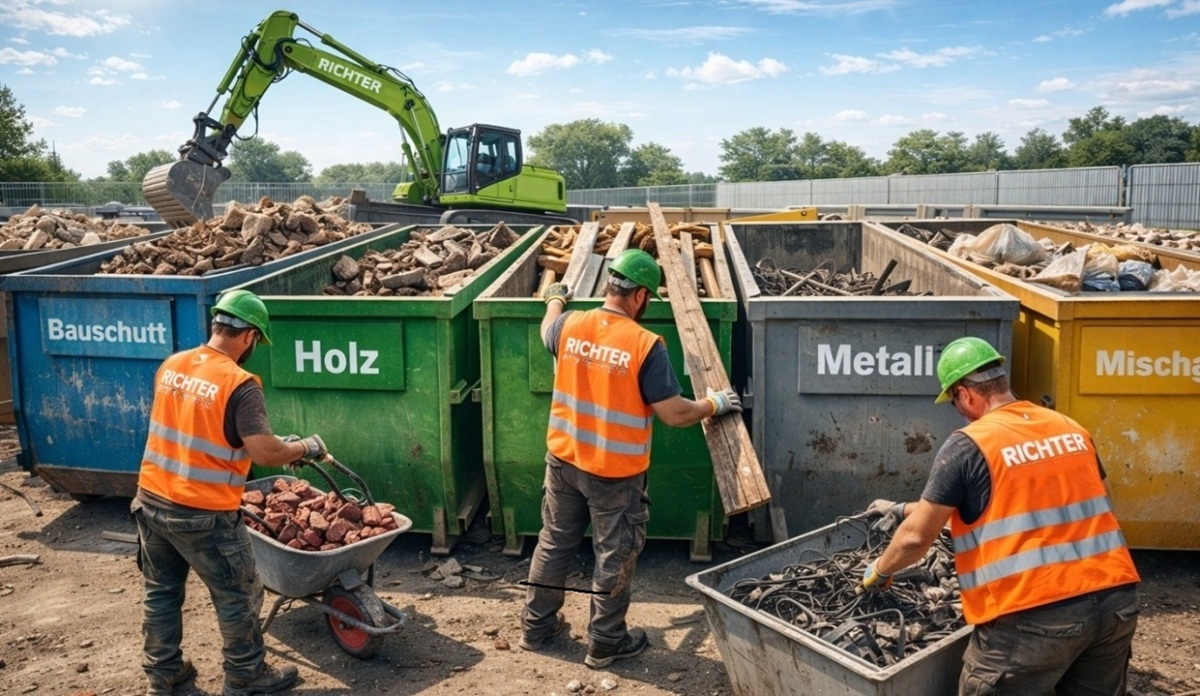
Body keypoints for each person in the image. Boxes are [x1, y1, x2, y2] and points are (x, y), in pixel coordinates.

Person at [860, 337, 1141, 696]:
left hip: (1035, 616)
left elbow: (916, 538)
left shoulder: (970, 443)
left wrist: (881, 571)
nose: (958, 410)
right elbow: (1045, 504)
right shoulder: (1069, 428)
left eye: (954, 402)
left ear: (964, 394)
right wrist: (900, 509)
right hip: (1116, 605)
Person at [521, 249, 742, 669]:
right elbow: (674, 413)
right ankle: (605, 642)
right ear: (640, 295)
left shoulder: (571, 324)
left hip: (564, 461)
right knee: (614, 556)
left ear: (611, 285)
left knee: (553, 542)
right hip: (614, 474)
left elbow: (546, 327)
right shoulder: (644, 345)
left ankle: (536, 627)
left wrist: (555, 297)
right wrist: (713, 404)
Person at [133, 289, 326, 696]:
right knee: (239, 594)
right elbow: (265, 452)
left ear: (217, 325)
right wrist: (304, 447)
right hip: (203, 512)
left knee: (162, 592)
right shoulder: (240, 383)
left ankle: (163, 674)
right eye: (257, 340)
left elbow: (196, 427)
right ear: (250, 336)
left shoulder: (173, 365)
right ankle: (246, 676)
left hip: (151, 500)